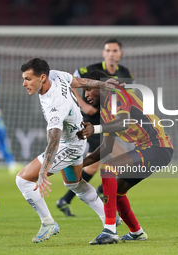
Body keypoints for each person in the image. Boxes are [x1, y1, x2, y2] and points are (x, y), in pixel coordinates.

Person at [16, 58, 118, 243]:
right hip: (77, 139)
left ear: (42, 77)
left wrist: (43, 172)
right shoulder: (56, 75)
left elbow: (53, 141)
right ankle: (110, 217)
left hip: (69, 145)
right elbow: (81, 82)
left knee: (22, 180)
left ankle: (48, 222)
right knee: (74, 184)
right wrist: (105, 84)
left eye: (28, 79)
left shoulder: (55, 105)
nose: (24, 84)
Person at [76, 70, 174, 244]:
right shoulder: (106, 109)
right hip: (147, 148)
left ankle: (109, 230)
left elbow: (123, 122)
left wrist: (96, 129)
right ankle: (137, 232)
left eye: (88, 89)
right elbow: (106, 147)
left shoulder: (115, 95)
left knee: (108, 169)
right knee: (118, 192)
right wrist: (78, 165)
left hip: (157, 146)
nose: (86, 95)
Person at [56, 38, 134, 216]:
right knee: (121, 157)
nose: (111, 54)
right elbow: (70, 82)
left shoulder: (125, 73)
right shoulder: (91, 70)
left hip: (107, 122)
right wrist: (83, 105)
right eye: (108, 50)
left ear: (120, 54)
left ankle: (66, 199)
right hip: (91, 122)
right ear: (103, 53)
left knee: (94, 164)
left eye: (115, 51)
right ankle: (101, 189)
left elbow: (126, 96)